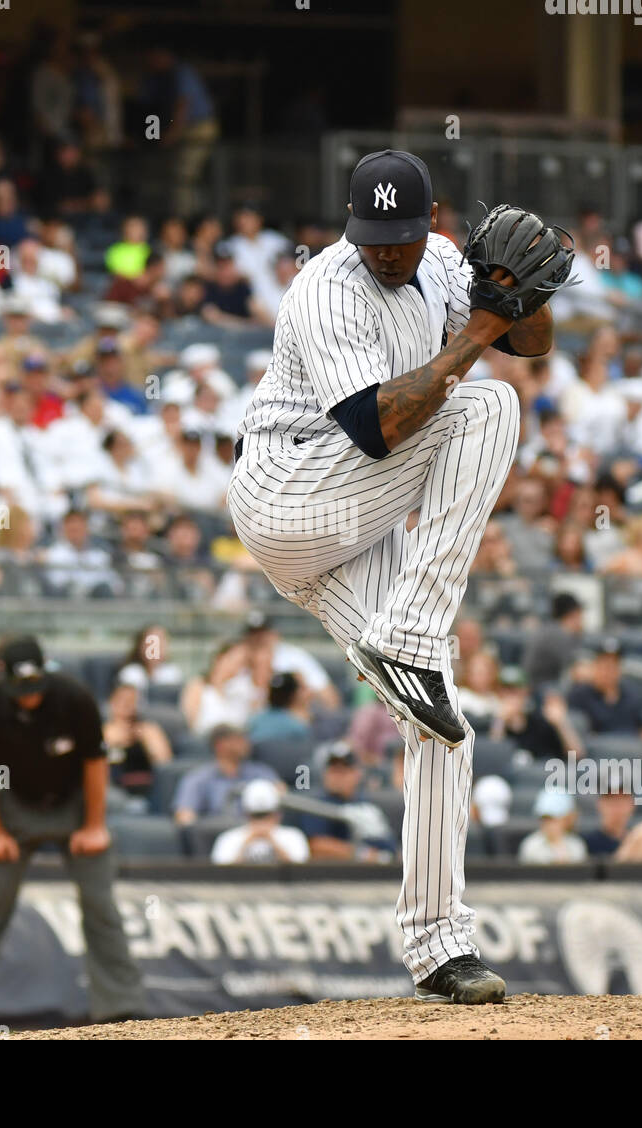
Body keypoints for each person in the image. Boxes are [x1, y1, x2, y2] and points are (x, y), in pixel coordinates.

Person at [228, 151, 560, 1004]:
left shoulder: (442, 262)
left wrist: (523, 298)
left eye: (401, 236)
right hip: (292, 492)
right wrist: (480, 329)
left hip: (357, 522)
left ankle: (439, 946)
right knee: (487, 404)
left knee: (442, 723)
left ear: (431, 222)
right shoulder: (326, 289)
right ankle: (411, 634)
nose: (385, 250)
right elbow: (378, 428)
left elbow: (532, 345)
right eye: (370, 234)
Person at [0, 637, 145, 1032]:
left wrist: (94, 825)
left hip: (75, 803)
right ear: (2, 674)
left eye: (35, 688)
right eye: (22, 690)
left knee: (100, 903)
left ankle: (122, 1011)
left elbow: (96, 761)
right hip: (15, 805)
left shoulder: (74, 696)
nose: (30, 698)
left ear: (46, 669)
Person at [291, 741, 396, 860]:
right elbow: (316, 845)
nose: (337, 777)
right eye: (333, 771)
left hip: (381, 866)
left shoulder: (367, 804)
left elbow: (388, 842)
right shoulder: (316, 804)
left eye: (343, 771)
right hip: (340, 868)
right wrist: (362, 854)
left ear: (357, 774)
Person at [171, 724, 280, 825]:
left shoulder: (261, 772)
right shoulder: (199, 778)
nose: (246, 744)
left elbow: (282, 798)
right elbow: (184, 816)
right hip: (217, 834)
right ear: (220, 745)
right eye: (239, 740)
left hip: (260, 831)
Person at [210, 778, 310, 864]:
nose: (261, 822)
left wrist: (274, 842)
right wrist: (245, 844)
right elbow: (221, 873)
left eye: (266, 815)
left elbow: (301, 871)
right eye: (256, 816)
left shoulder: (293, 836)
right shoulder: (228, 839)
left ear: (277, 814)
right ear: (246, 815)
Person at [101, 681, 172, 798]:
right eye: (122, 700)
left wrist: (145, 740)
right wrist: (114, 741)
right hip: (113, 786)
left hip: (147, 786)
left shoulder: (149, 730)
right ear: (112, 702)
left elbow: (165, 762)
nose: (127, 705)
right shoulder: (103, 731)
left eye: (132, 700)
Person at [518, 791, 587, 863]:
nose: (549, 824)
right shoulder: (531, 845)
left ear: (567, 819)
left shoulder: (577, 845)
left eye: (554, 819)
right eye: (545, 819)